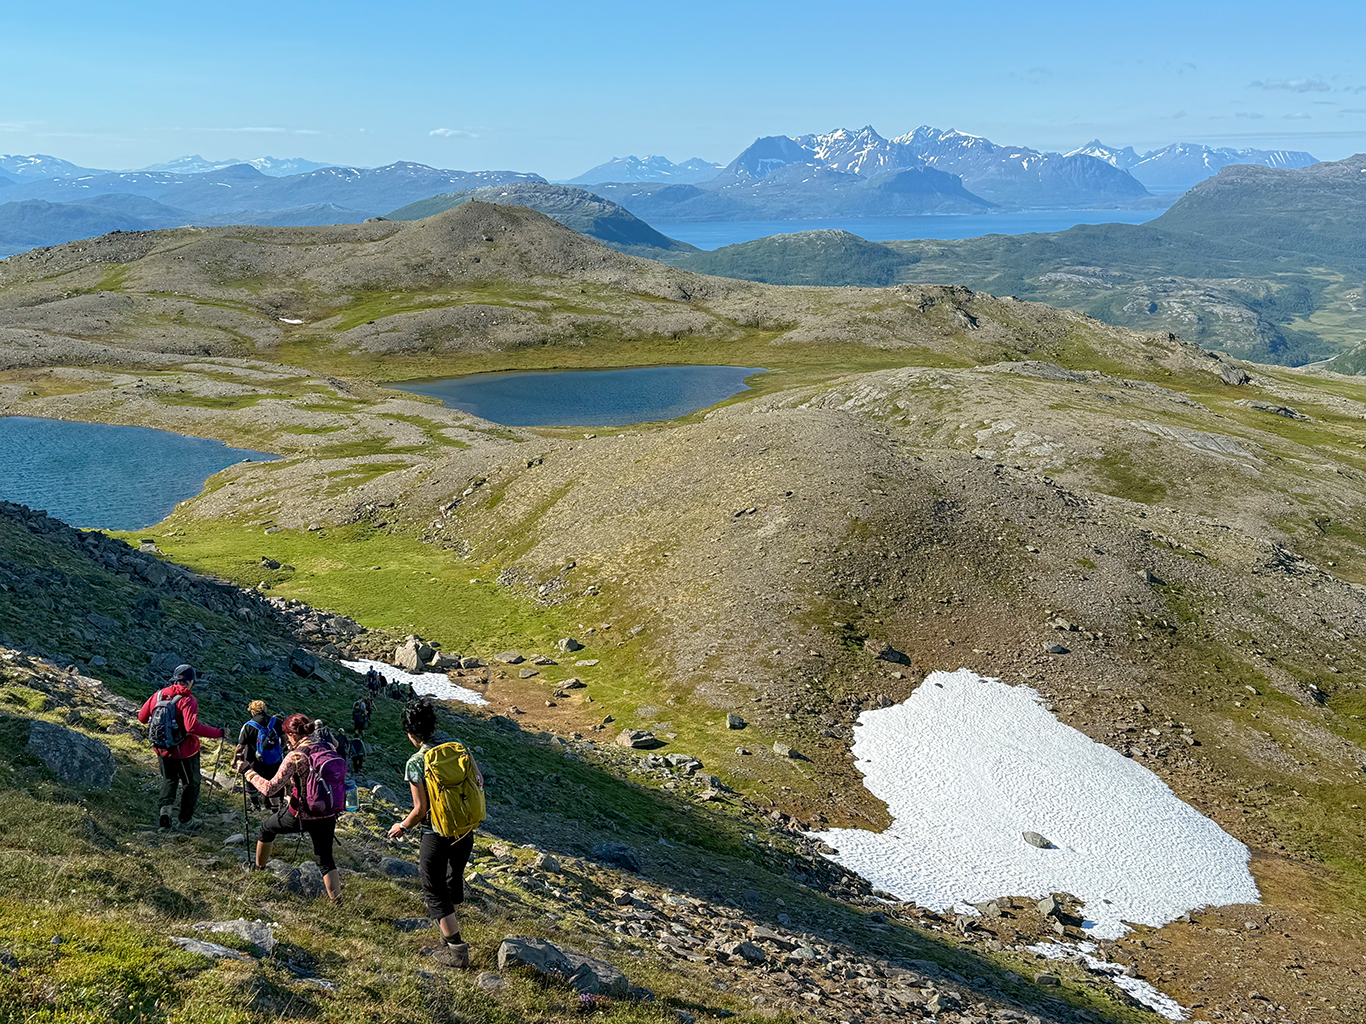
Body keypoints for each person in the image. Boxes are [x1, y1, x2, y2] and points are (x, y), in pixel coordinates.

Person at [387, 698, 483, 969]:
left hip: (436, 833)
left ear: (411, 733)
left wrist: (402, 826)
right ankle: (447, 935)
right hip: (464, 831)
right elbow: (478, 780)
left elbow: (420, 810)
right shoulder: (458, 746)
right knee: (452, 882)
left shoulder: (417, 762)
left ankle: (456, 951)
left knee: (434, 889)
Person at [239, 714, 346, 901]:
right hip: (327, 812)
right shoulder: (327, 746)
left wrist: (248, 772)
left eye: (287, 736)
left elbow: (270, 788)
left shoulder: (296, 756)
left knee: (266, 829)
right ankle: (338, 903)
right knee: (326, 860)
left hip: (301, 813)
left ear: (292, 735)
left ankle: (259, 869)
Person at [138, 664, 225, 831]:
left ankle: (165, 813)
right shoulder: (187, 699)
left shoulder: (158, 695)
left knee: (170, 780)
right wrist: (219, 732)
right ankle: (185, 821)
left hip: (162, 749)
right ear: (190, 681)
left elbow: (142, 717)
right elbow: (191, 727)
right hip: (185, 752)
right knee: (192, 783)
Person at [235, 700, 283, 811]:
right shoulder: (276, 722)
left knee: (251, 780)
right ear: (264, 709)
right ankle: (274, 808)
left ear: (252, 712)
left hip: (253, 759)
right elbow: (284, 738)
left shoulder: (248, 726)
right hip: (274, 760)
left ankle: (255, 805)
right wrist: (281, 750)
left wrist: (235, 760)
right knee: (273, 782)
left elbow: (240, 746)